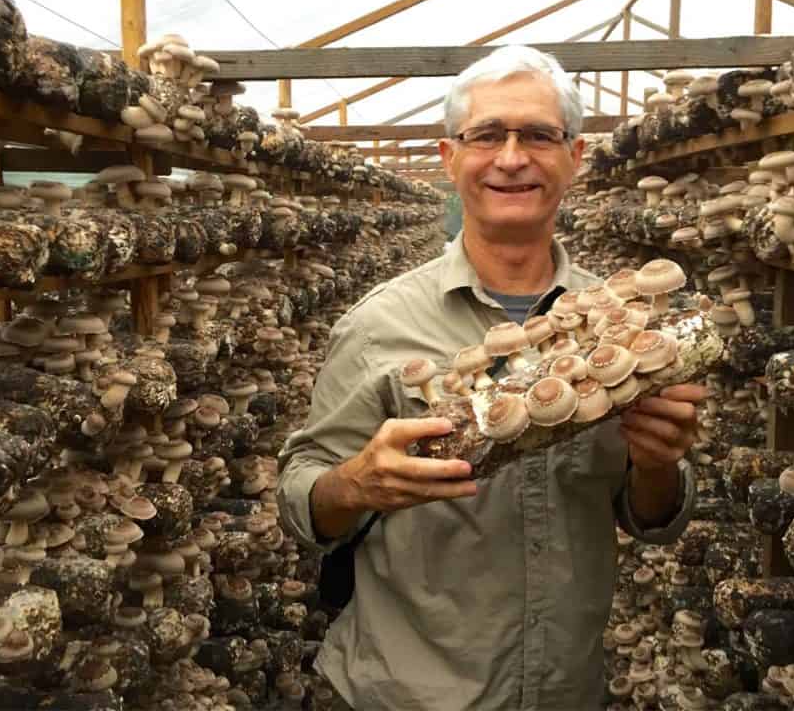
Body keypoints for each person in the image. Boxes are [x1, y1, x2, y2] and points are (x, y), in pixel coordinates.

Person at [277, 45, 706, 711]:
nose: (511, 157)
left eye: (538, 135)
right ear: (451, 159)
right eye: (487, 135)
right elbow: (301, 496)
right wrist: (356, 482)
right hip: (408, 692)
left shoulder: (627, 324)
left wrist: (657, 464)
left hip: (567, 688)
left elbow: (652, 519)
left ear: (575, 157)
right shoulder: (378, 324)